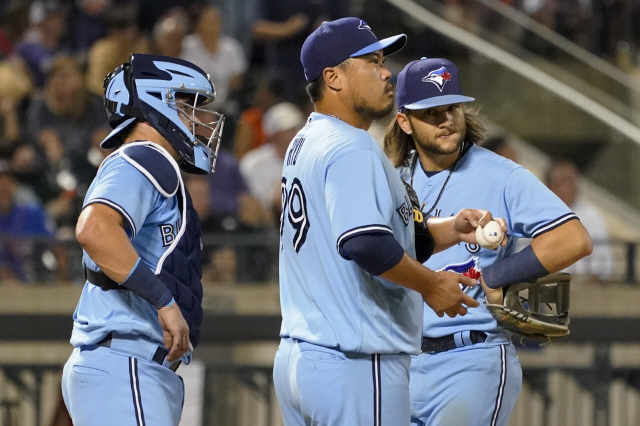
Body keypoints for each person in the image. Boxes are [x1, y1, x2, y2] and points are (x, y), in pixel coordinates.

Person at [274, 18, 507, 426]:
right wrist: (431, 285)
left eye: (384, 61)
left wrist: (452, 229)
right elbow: (364, 243)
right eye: (372, 62)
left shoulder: (307, 140)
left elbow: (376, 234)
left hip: (302, 360)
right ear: (333, 78)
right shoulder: (351, 147)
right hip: (354, 364)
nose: (387, 73)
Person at [383, 57, 593, 426]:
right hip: (399, 362)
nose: (446, 119)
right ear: (404, 121)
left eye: (452, 107)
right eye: (431, 112)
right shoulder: (392, 178)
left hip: (470, 360)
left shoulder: (500, 175)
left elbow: (573, 239)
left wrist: (497, 277)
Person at [61, 54, 225, 426]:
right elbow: (94, 229)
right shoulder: (146, 157)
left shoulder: (144, 161)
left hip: (125, 365)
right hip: (126, 362)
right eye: (187, 107)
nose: (196, 121)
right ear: (156, 102)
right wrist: (164, 301)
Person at [546, 160, 614, 282]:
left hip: (583, 284)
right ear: (551, 186)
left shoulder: (592, 215)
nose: (573, 185)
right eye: (566, 180)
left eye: (574, 179)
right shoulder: (536, 214)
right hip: (544, 283)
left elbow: (603, 261)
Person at [240, 102, 305, 216]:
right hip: (265, 221)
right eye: (290, 129)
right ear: (275, 134)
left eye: (298, 128)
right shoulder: (253, 162)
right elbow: (251, 201)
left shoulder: (310, 160)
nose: (297, 133)